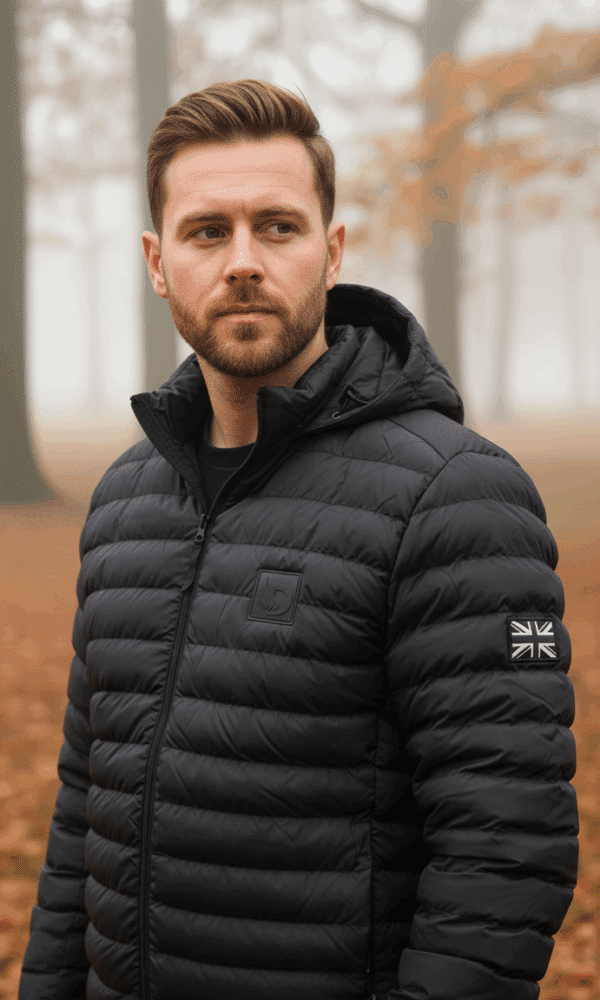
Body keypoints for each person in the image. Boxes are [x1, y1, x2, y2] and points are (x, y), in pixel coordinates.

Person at [19, 79, 578, 1000]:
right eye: (208, 232)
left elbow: (506, 842)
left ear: (333, 250)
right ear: (158, 262)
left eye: (277, 227)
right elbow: (86, 808)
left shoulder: (456, 496)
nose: (243, 262)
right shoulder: (122, 501)